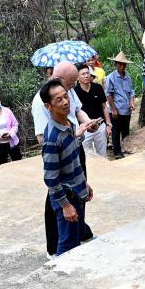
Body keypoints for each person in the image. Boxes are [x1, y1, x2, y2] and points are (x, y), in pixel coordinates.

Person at [31, 61, 99, 258]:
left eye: (66, 95)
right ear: (49, 105)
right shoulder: (52, 136)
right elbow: (51, 177)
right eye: (59, 99)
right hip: (65, 191)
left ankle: (79, 235)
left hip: (75, 185)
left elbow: (74, 160)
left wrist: (83, 182)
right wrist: (66, 205)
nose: (66, 101)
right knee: (67, 246)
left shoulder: (68, 124)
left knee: (74, 235)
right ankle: (57, 256)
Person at [76, 64, 111, 156]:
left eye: (87, 73)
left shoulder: (97, 87)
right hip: (85, 128)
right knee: (87, 155)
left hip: (100, 126)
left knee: (102, 154)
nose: (86, 76)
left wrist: (108, 125)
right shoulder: (75, 92)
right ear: (77, 77)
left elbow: (104, 106)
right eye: (83, 74)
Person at [105, 51, 135, 159]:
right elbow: (109, 94)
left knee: (126, 131)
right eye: (120, 64)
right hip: (116, 109)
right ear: (116, 64)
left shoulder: (128, 77)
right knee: (116, 131)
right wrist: (113, 109)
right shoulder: (111, 77)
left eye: (124, 64)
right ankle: (117, 152)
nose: (122, 66)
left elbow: (131, 91)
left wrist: (131, 102)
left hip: (126, 109)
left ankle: (126, 149)